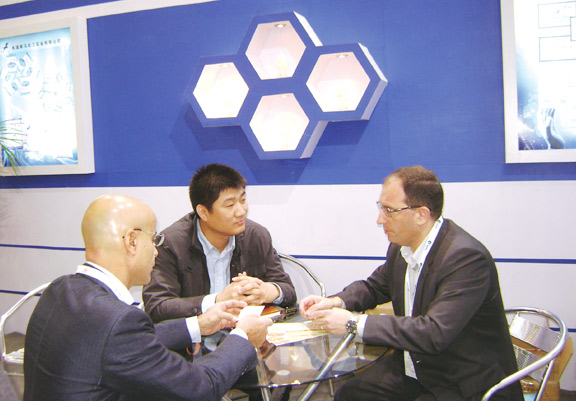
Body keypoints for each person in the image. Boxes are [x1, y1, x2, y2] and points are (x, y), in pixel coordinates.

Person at [299, 166, 523, 401]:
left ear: (421, 215)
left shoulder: (465, 259)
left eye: (389, 210)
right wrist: (336, 301)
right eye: (380, 207)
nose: (380, 219)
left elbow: (433, 333)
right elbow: (375, 287)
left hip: (462, 380)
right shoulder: (401, 247)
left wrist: (352, 323)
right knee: (350, 394)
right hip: (416, 365)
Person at [24, 194, 272, 401]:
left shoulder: (60, 290)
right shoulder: (118, 321)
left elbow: (125, 342)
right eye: (154, 240)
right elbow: (199, 388)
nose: (156, 251)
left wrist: (200, 324)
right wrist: (243, 337)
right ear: (132, 241)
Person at [143, 163, 296, 323]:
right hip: (194, 337)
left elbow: (288, 290)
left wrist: (267, 291)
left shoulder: (256, 236)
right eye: (230, 205)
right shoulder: (171, 244)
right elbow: (157, 306)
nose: (241, 211)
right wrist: (217, 300)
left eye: (243, 200)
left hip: (244, 334)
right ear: (203, 212)